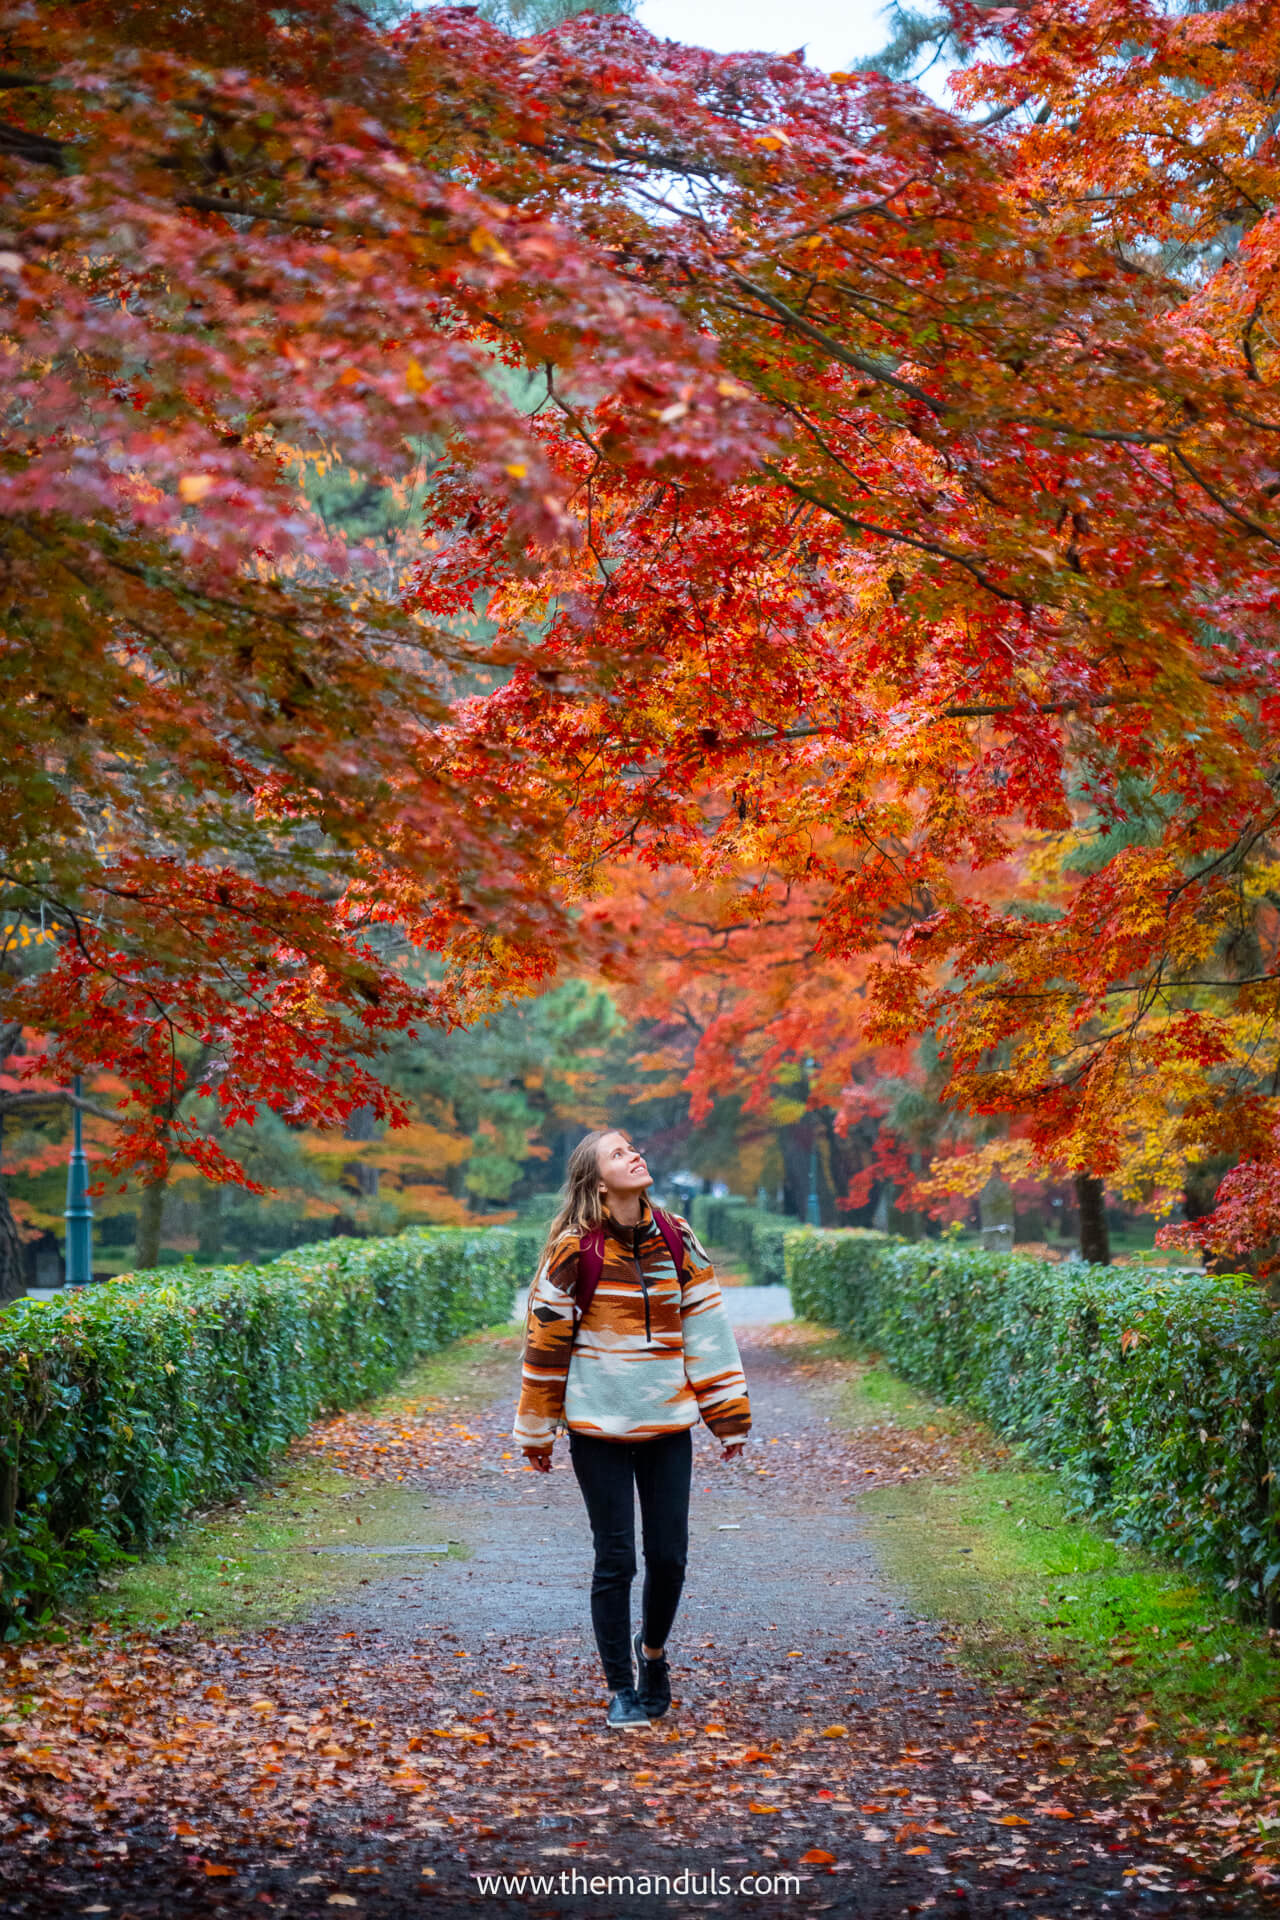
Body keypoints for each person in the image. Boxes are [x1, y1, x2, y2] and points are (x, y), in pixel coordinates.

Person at [513, 1129, 752, 1730]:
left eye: (633, 1149)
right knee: (615, 1559)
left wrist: (727, 1416)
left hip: (668, 1426)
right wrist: (537, 1431)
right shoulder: (574, 1251)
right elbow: (545, 1346)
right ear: (597, 1181)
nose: (634, 1156)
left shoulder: (677, 1236)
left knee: (669, 1557)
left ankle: (653, 1657)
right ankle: (620, 1686)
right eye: (618, 1154)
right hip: (598, 1431)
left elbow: (707, 1328)